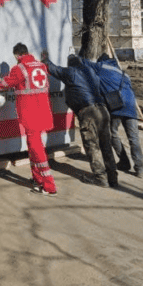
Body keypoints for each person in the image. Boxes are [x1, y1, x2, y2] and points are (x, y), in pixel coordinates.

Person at [0, 42, 58, 195]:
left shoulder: (19, 68)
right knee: (33, 147)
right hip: (43, 110)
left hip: (30, 113)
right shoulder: (41, 66)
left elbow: (6, 83)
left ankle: (49, 186)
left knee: (36, 149)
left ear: (17, 55)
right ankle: (37, 180)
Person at [41, 50, 119, 188]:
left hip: (88, 112)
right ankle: (112, 177)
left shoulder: (72, 72)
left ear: (71, 64)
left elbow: (54, 69)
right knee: (106, 145)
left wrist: (45, 59)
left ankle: (100, 178)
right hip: (102, 110)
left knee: (92, 146)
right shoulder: (91, 72)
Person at [96, 55, 143, 178]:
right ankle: (140, 169)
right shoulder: (123, 73)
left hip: (116, 106)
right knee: (134, 138)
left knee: (113, 133)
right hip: (130, 106)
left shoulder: (100, 68)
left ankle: (124, 162)